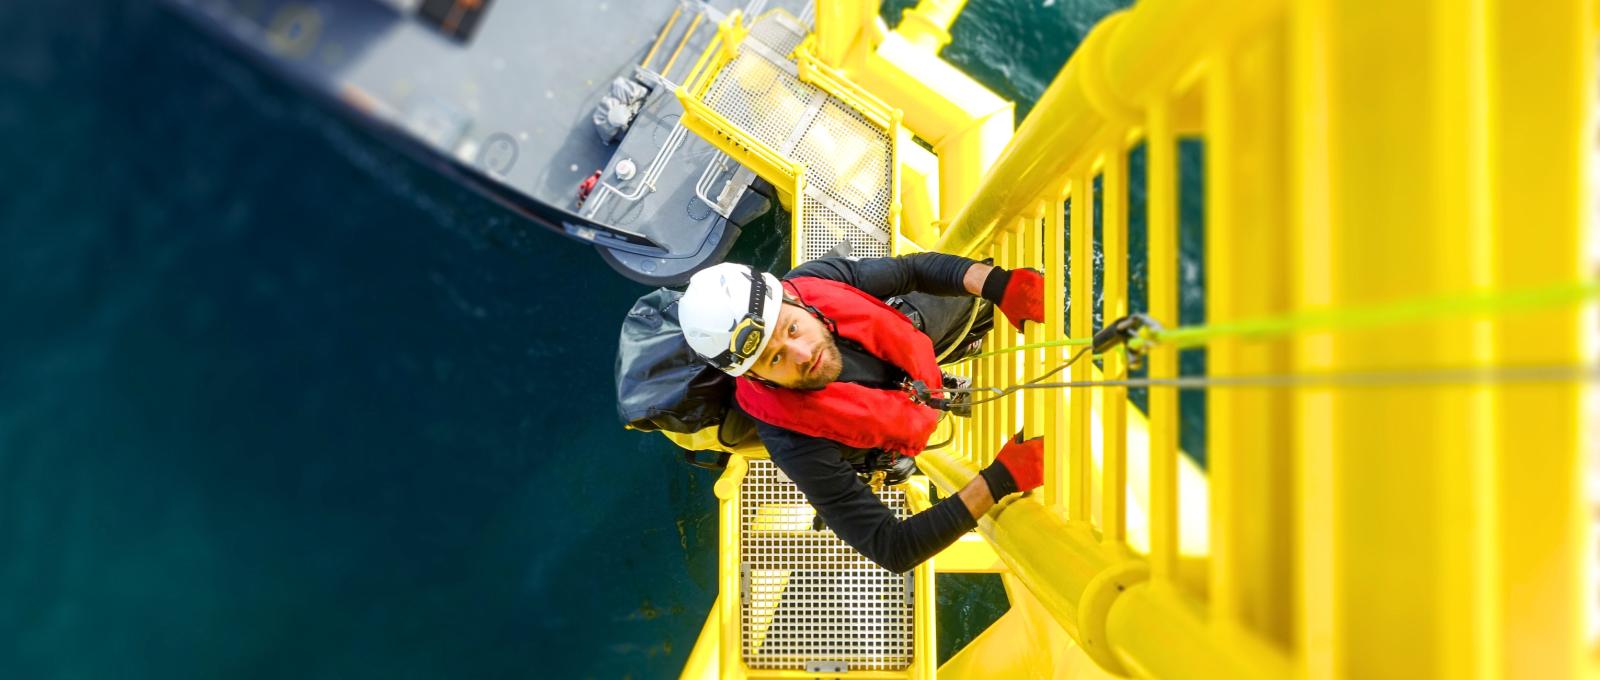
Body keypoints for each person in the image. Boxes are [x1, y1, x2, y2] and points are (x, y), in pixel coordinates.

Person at [678, 253, 1046, 573]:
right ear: (755, 377)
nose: (803, 353)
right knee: (894, 458)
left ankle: (953, 358)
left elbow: (910, 271)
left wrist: (999, 285)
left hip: (900, 363)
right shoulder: (794, 442)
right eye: (775, 358)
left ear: (793, 299)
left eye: (791, 328)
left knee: (972, 286)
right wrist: (1000, 480)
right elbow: (892, 546)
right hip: (870, 432)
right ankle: (916, 419)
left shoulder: (814, 281)